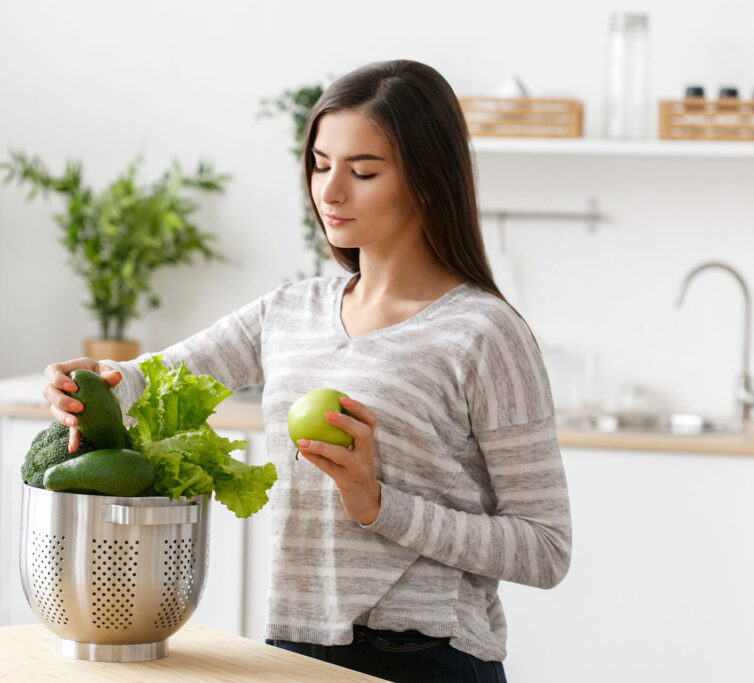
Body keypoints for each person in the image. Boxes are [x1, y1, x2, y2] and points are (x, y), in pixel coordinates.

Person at [43, 59, 571, 683]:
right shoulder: (289, 312)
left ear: (427, 181)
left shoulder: (483, 333)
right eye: (320, 165)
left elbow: (546, 549)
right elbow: (150, 379)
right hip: (291, 651)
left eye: (363, 171)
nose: (330, 192)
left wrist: (378, 504)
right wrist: (92, 384)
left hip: (424, 659)